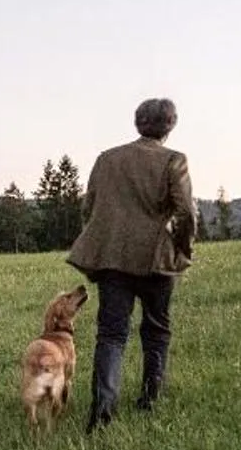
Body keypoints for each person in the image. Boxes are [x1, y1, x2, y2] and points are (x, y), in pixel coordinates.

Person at [65, 97, 196, 431]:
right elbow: (186, 213)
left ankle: (102, 414)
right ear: (170, 125)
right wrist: (183, 248)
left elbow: (88, 207)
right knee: (156, 331)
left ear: (138, 123)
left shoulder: (107, 159)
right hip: (156, 261)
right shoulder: (174, 161)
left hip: (112, 260)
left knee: (110, 336)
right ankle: (149, 400)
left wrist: (101, 240)